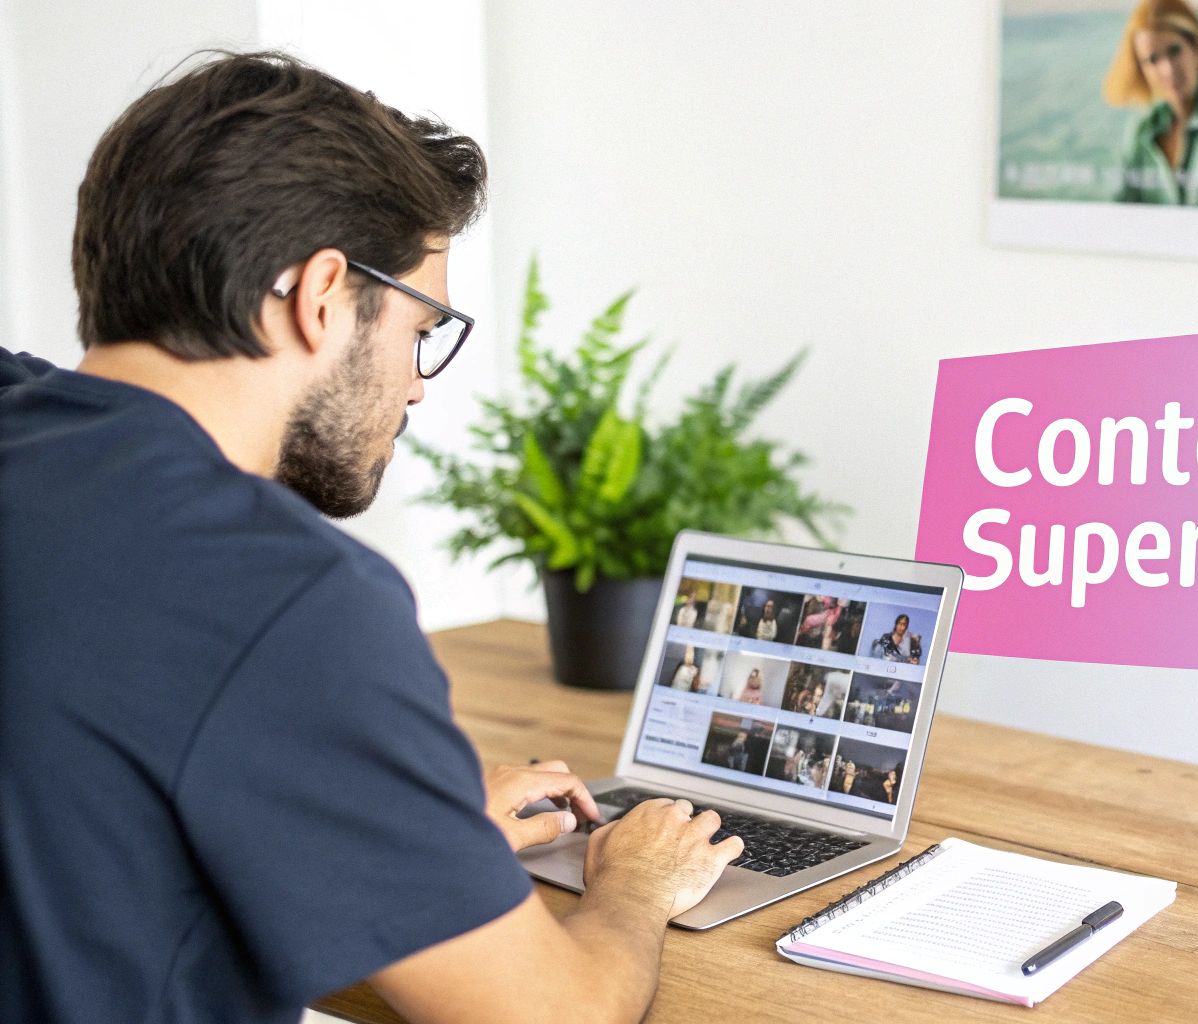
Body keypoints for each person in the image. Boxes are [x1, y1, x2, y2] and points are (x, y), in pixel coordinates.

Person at [0, 52, 741, 1024]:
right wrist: (634, 884)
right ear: (319, 296)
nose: (417, 382)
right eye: (419, 328)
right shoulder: (280, 595)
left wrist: (393, 825)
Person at [1104, 0, 1198, 208]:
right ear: (1141, 69)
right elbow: (1121, 207)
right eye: (1152, 59)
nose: (1168, 70)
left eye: (1174, 51)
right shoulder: (1140, 128)